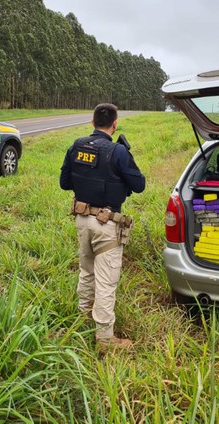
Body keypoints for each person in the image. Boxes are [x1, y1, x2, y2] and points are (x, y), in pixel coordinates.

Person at [60, 103, 146, 348]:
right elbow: (139, 186)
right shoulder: (117, 151)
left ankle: (82, 319)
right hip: (106, 224)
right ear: (115, 123)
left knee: (86, 272)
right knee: (106, 282)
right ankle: (106, 339)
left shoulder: (76, 146)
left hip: (81, 220)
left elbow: (65, 183)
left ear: (93, 122)